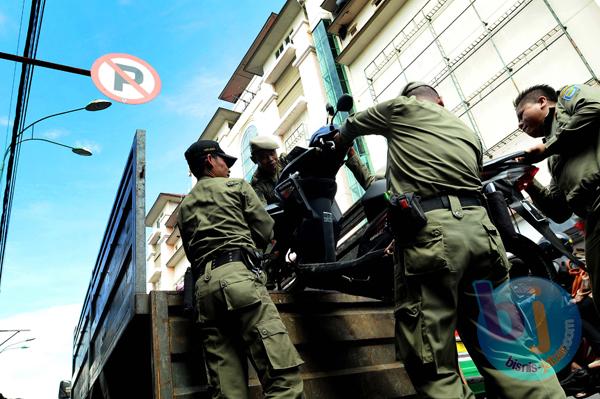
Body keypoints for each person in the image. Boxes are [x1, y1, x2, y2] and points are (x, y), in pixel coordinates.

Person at [334, 82, 565, 398]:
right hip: (482, 239)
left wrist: (339, 143)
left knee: (432, 362)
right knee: (509, 349)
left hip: (434, 241)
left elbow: (350, 126)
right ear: (441, 101)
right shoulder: (467, 133)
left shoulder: (402, 109)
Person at [177, 140, 304, 399]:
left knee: (228, 391)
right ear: (210, 161)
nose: (229, 168)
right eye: (225, 161)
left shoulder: (184, 208)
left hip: (204, 292)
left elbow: (192, 256)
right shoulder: (237, 187)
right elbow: (266, 231)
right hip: (239, 279)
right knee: (283, 381)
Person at [514, 83, 600, 316]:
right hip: (591, 214)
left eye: (522, 116)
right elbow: (559, 210)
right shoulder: (555, 159)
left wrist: (548, 147)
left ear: (542, 102)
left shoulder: (567, 98)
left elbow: (594, 108)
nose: (521, 126)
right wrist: (529, 183)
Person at [249, 135, 375, 205]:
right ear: (254, 160)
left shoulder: (285, 160)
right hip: (292, 221)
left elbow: (308, 163)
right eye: (263, 157)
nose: (270, 159)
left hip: (312, 203)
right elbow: (265, 214)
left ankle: (369, 184)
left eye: (272, 153)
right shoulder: (257, 186)